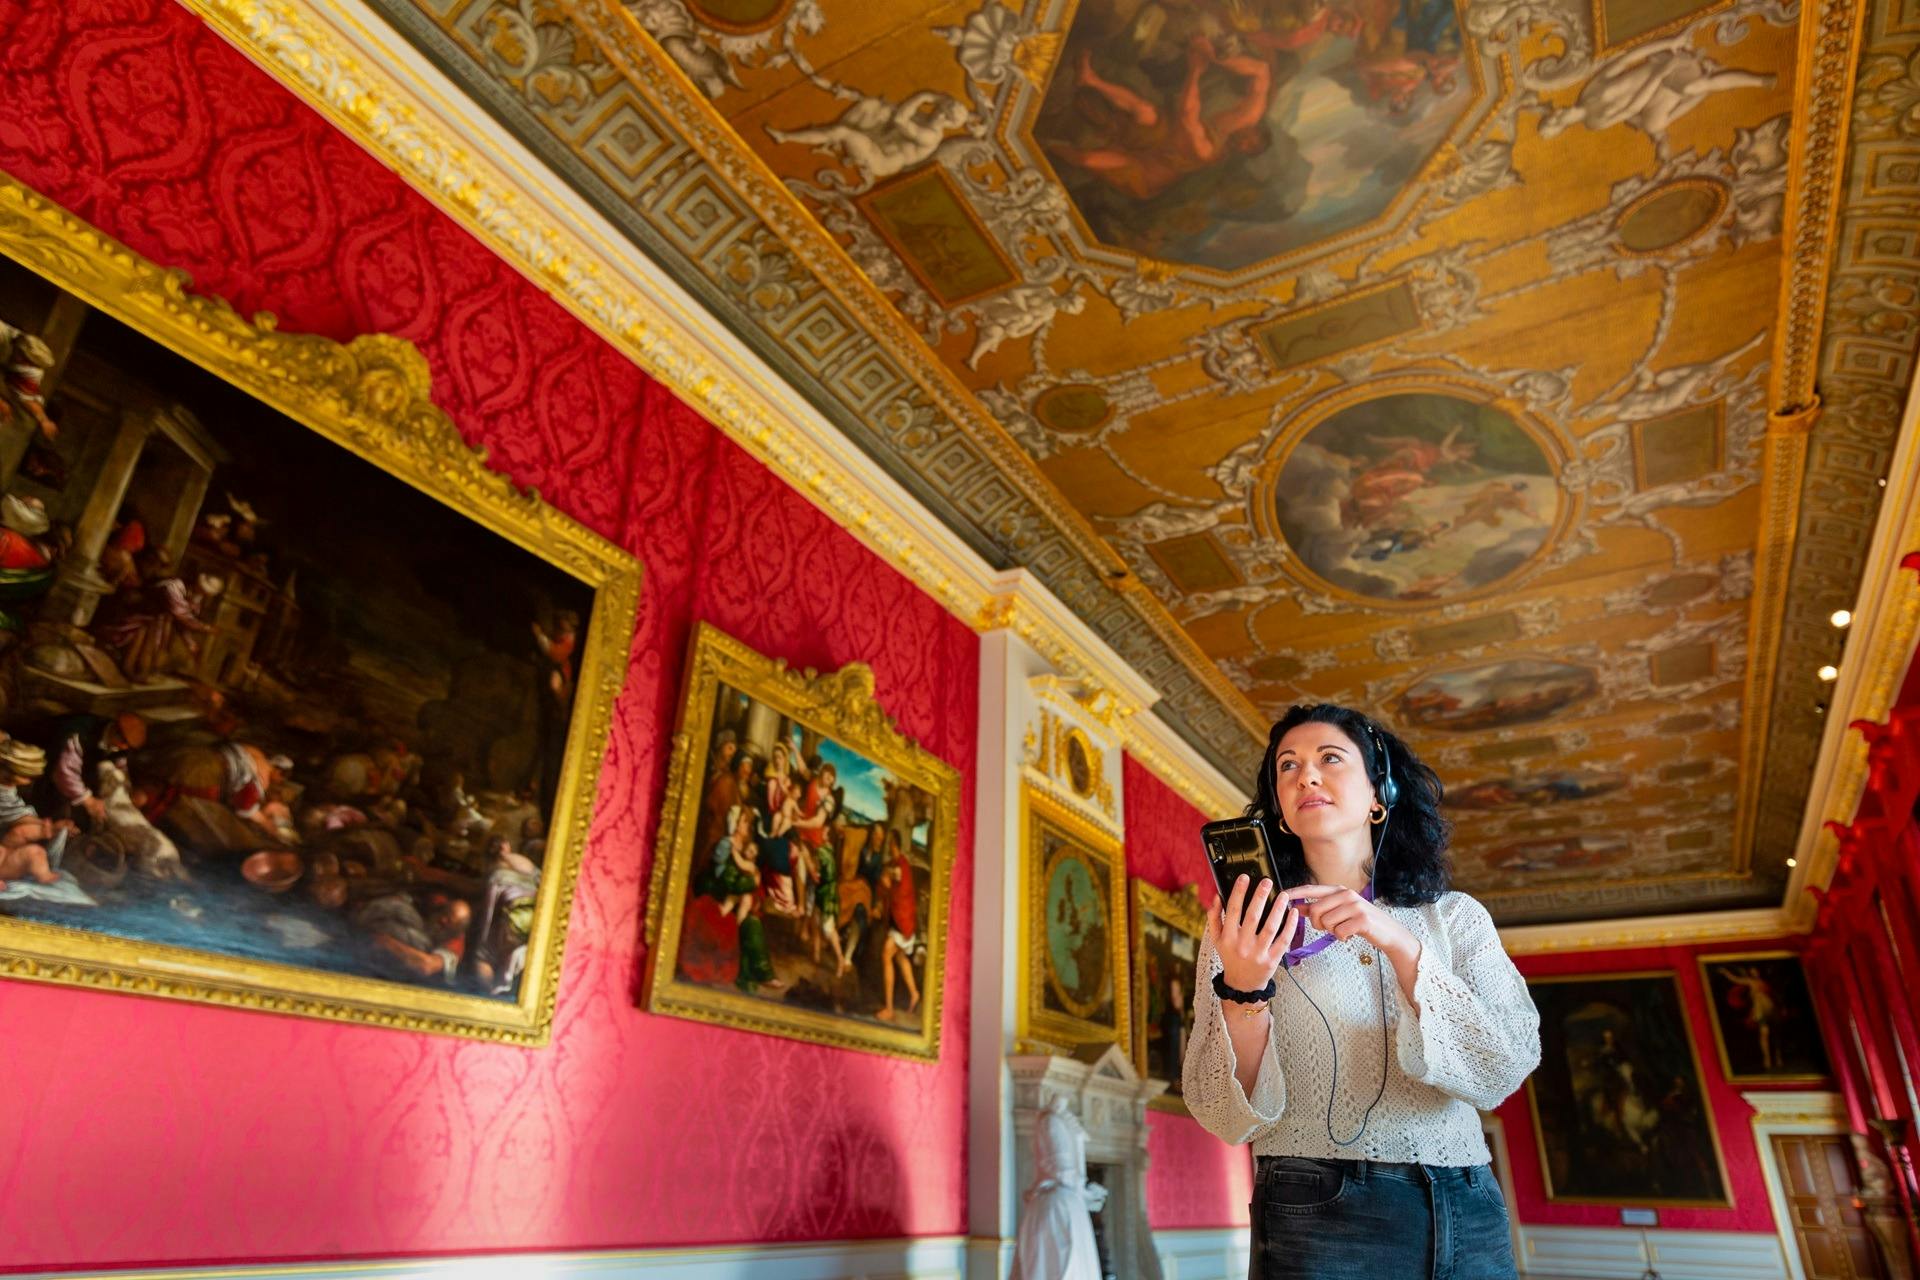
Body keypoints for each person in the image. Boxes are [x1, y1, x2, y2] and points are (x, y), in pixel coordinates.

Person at [1184, 703, 1539, 1280]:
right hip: (1317, 1205)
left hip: (1467, 1201)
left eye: (1330, 758)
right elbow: (1224, 1113)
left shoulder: (1456, 919)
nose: (1307, 775)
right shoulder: (1240, 926)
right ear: (1278, 810)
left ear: (1381, 793)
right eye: (1287, 766)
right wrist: (1244, 990)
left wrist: (1401, 945)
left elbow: (1503, 1067)